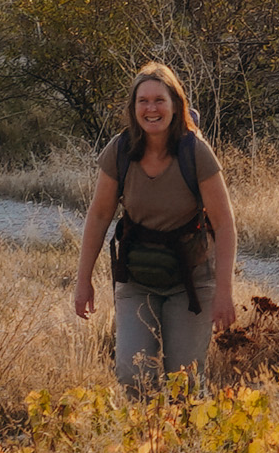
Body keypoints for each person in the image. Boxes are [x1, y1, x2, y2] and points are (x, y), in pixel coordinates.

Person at [71, 62, 237, 390]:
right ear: (133, 109)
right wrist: (83, 281)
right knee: (134, 376)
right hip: (137, 277)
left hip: (191, 280)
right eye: (143, 101)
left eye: (159, 100)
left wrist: (224, 293)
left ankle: (185, 441)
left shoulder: (195, 152)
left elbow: (225, 224)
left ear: (175, 105)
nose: (151, 109)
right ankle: (144, 438)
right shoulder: (119, 151)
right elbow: (99, 215)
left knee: (185, 381)